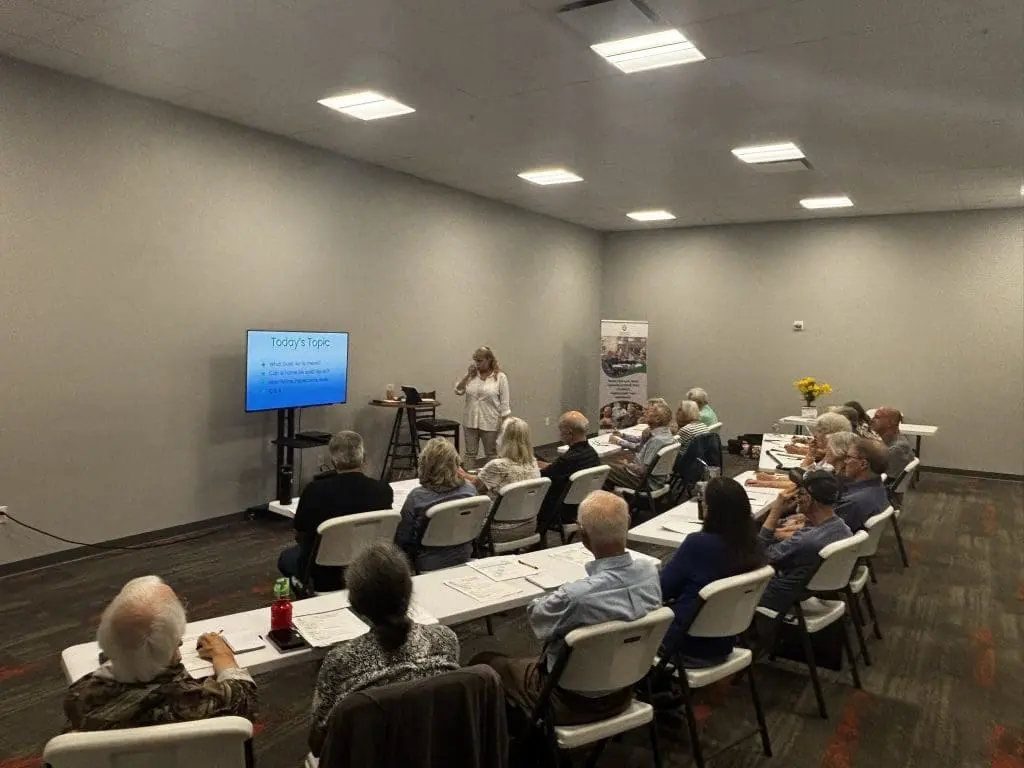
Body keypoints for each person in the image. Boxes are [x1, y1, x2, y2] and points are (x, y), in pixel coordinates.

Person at [471, 491, 661, 725]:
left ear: (583, 536)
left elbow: (537, 618)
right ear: (628, 524)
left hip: (568, 702)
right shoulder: (651, 573)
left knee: (485, 661)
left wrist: (562, 593)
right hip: (626, 688)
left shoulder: (575, 597)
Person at [309, 543, 459, 755]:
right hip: (431, 753)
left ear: (355, 605)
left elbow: (318, 743)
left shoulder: (340, 661)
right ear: (409, 593)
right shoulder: (445, 639)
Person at [64, 576, 257, 731]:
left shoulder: (78, 697)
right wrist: (222, 655)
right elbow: (243, 697)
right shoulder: (188, 704)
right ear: (177, 641)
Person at [660, 478, 764, 665]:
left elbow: (662, 590)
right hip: (726, 639)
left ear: (710, 510)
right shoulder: (753, 546)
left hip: (683, 643)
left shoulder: (698, 544)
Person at [278, 431, 393, 591]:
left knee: (286, 558)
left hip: (324, 575)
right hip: (368, 568)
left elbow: (300, 527)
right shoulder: (383, 490)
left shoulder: (315, 490)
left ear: (333, 461)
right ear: (363, 458)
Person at [757, 470, 853, 613]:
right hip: (805, 590)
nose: (795, 497)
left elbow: (758, 556)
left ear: (809, 499)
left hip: (771, 595)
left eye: (800, 493)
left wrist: (775, 513)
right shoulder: (842, 527)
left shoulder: (806, 541)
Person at [395, 437, 478, 572]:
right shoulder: (470, 491)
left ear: (425, 464)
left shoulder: (416, 498)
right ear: (456, 464)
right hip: (464, 555)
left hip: (427, 561)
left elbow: (402, 539)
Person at [461, 416, 541, 543]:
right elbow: (482, 481)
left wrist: (457, 473)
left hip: (498, 529)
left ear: (504, 438)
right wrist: (465, 475)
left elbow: (473, 490)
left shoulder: (498, 465)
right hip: (529, 525)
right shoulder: (532, 463)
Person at [746, 411, 852, 490]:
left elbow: (803, 483)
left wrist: (766, 483)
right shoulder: (830, 452)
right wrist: (811, 453)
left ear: (830, 435)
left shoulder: (835, 457)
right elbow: (804, 475)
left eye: (819, 431)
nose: (815, 435)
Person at [535, 411, 602, 532]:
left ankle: (536, 541)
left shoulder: (567, 459)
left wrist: (535, 466)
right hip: (583, 506)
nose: (560, 435)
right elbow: (560, 469)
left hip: (561, 511)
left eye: (561, 431)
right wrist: (549, 465)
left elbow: (541, 476)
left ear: (569, 433)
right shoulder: (592, 454)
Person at [454, 346, 510, 469]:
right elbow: (458, 390)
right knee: (470, 453)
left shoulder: (500, 377)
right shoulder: (472, 375)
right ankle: (468, 481)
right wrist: (467, 375)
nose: (477, 364)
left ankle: (493, 480)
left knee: (491, 454)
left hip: (490, 421)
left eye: (480, 361)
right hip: (470, 420)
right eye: (476, 361)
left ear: (489, 359)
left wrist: (505, 424)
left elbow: (505, 404)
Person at [825, 432, 890, 532]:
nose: (845, 462)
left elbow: (824, 530)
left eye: (849, 457)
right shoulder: (878, 488)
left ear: (863, 464)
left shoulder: (853, 502)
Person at [605, 401, 676, 491]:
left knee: (603, 468)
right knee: (616, 459)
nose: (644, 413)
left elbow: (642, 471)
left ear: (657, 419)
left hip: (643, 482)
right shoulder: (667, 434)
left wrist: (627, 465)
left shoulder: (656, 440)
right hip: (657, 480)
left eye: (650, 411)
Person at [871, 406, 916, 479]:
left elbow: (886, 480)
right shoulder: (887, 441)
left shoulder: (897, 448)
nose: (872, 420)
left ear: (890, 423)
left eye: (877, 417)